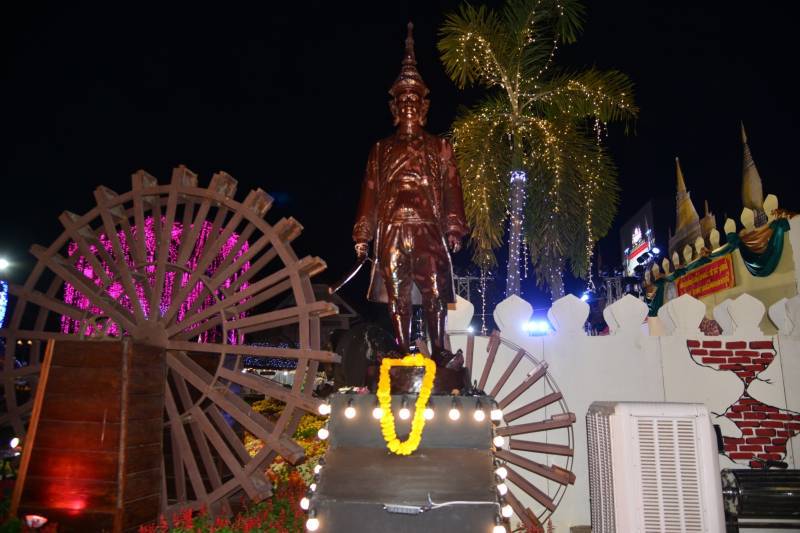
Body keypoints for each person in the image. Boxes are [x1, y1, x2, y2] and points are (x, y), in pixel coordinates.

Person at [352, 23, 468, 368]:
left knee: (433, 290)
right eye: (402, 100)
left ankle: (439, 349)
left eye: (413, 100)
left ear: (422, 106)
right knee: (397, 291)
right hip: (391, 226)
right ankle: (402, 349)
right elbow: (370, 192)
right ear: (394, 106)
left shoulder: (439, 146)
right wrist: (363, 234)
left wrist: (453, 227)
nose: (407, 105)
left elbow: (451, 186)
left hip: (426, 225)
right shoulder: (380, 149)